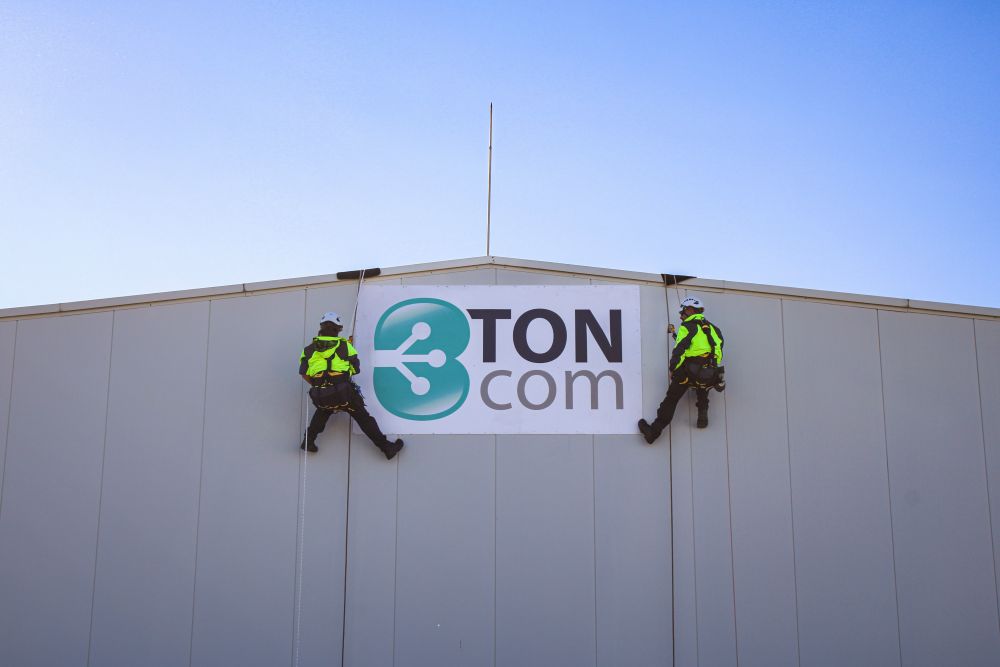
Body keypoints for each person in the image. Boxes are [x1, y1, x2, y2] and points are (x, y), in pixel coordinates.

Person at [299, 311, 404, 459]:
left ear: (321, 328)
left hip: (321, 396)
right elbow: (355, 370)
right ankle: (386, 447)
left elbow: (304, 374)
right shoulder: (345, 346)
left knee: (322, 411)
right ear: (338, 329)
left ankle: (308, 441)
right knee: (364, 419)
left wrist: (320, 385)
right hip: (344, 395)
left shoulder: (308, 350)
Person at [638, 297, 725, 444]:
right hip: (710, 371)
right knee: (703, 385)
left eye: (682, 312)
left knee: (671, 399)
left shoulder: (687, 326)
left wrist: (673, 368)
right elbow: (716, 349)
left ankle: (653, 432)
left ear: (690, 310)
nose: (680, 316)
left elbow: (680, 349)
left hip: (689, 371)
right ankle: (702, 416)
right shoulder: (714, 329)